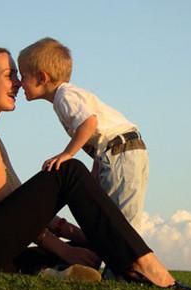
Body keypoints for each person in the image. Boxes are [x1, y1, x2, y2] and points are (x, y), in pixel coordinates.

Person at [0, 46, 191, 290]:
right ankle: (143, 264)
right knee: (68, 170)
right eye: (9, 75)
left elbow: (19, 203)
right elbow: (5, 201)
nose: (17, 83)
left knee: (88, 249)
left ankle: (51, 272)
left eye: (18, 76)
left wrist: (77, 236)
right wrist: (64, 248)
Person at [18, 37, 148, 234]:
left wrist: (67, 154)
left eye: (23, 76)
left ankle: (130, 263)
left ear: (42, 77)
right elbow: (97, 135)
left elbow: (89, 123)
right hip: (118, 151)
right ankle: (114, 260)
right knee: (112, 215)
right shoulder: (65, 97)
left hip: (121, 152)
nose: (20, 83)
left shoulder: (64, 96)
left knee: (121, 220)